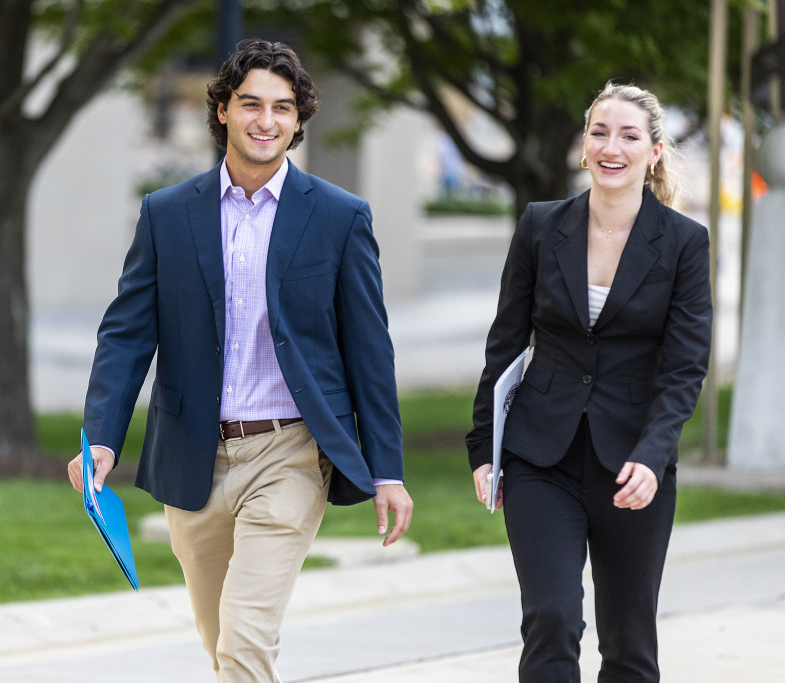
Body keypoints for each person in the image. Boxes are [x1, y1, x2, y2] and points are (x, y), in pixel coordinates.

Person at [67, 38, 412, 682]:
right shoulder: (167, 214)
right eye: (250, 103)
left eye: (283, 108)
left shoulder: (339, 218)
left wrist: (386, 468)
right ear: (222, 110)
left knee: (246, 642)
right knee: (219, 639)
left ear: (299, 119)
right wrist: (102, 442)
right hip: (192, 457)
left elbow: (370, 352)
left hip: (289, 454)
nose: (267, 120)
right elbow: (126, 335)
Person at [465, 82, 712, 682]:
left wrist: (654, 457)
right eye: (600, 132)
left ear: (653, 151)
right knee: (551, 620)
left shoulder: (683, 242)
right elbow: (504, 343)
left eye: (629, 136)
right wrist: (482, 448)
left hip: (633, 463)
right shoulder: (542, 226)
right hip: (539, 457)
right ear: (583, 145)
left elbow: (684, 368)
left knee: (629, 643)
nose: (612, 146)